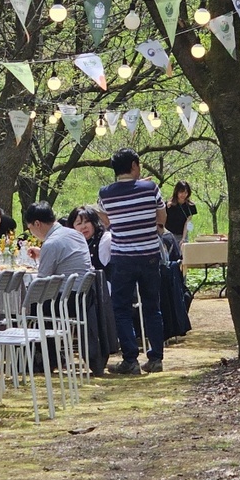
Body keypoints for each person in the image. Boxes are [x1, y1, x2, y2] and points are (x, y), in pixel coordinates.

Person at [97, 148, 166, 375]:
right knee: (152, 307)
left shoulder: (105, 193)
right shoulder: (151, 188)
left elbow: (107, 221)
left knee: (122, 309)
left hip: (122, 257)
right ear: (135, 165)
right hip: (149, 256)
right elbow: (161, 217)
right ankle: (155, 358)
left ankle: (130, 360)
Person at [24, 202, 92, 278]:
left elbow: (41, 282)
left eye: (30, 228)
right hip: (84, 288)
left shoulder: (50, 243)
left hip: (64, 289)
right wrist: (42, 253)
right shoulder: (77, 235)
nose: (31, 232)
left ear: (37, 224)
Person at [68, 205, 108, 271]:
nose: (83, 226)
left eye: (87, 222)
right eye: (79, 223)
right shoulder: (72, 245)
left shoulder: (105, 239)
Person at [164, 180, 198, 245]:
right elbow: (164, 221)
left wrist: (183, 239)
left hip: (182, 234)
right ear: (177, 192)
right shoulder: (169, 205)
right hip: (169, 236)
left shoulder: (190, 206)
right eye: (181, 192)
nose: (183, 195)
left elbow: (187, 223)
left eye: (185, 192)